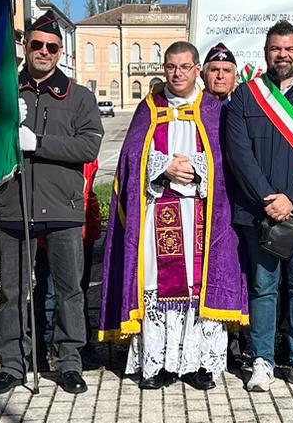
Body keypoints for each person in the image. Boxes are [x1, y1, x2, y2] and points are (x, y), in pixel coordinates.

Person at [101, 42, 248, 389]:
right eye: (171, 67)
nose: (178, 73)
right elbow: (129, 158)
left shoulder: (215, 109)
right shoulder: (148, 108)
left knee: (199, 287)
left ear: (197, 69)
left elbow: (230, 161)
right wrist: (163, 165)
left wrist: (199, 168)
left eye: (185, 66)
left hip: (203, 213)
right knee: (157, 286)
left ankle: (200, 365)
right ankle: (158, 365)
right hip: (158, 213)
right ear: (164, 69)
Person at [0, 16, 104, 395]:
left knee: (69, 290)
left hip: (62, 209)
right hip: (13, 208)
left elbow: (88, 146)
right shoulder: (4, 92)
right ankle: (12, 364)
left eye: (52, 47)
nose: (43, 53)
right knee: (12, 293)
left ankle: (69, 361)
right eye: (37, 45)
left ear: (60, 52)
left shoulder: (79, 96)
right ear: (26, 47)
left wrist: (37, 142)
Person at [223, 19, 293, 392]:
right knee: (263, 287)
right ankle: (262, 360)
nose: (283, 55)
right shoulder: (246, 96)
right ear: (266, 52)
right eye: (276, 49)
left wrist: (292, 199)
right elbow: (239, 155)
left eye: (290, 48)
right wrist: (269, 200)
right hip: (260, 212)